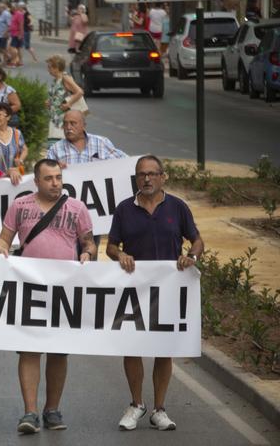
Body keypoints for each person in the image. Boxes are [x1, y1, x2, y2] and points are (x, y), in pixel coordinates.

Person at [0, 158, 97, 434]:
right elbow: (4, 238)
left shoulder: (76, 207)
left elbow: (89, 241)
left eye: (58, 178)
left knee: (58, 350)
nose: (55, 183)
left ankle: (52, 410)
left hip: (64, 288)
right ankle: (30, 412)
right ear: (36, 181)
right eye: (49, 178)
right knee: (29, 349)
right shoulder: (20, 205)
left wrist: (88, 252)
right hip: (30, 286)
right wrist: (2, 248)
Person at [107, 155, 204, 432]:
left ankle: (159, 410)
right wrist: (120, 254)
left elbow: (196, 239)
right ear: (136, 178)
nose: (147, 179)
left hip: (169, 289)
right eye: (141, 174)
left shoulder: (178, 207)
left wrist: (192, 256)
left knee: (164, 349)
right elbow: (111, 246)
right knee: (132, 347)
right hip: (134, 290)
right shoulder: (125, 209)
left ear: (163, 177)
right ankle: (137, 405)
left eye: (152, 173)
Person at [46, 110, 126, 167]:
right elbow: (45, 171)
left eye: (73, 123)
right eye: (65, 124)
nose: (68, 127)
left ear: (83, 126)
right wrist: (55, 168)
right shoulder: (55, 149)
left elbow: (125, 162)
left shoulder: (101, 143)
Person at [45, 55, 85, 142]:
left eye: (50, 67)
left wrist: (69, 104)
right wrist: (49, 101)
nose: (48, 69)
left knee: (59, 141)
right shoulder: (56, 80)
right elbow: (58, 95)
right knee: (54, 141)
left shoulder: (65, 78)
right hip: (55, 116)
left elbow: (80, 92)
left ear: (56, 68)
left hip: (63, 117)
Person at [0, 102, 27, 178]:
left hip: (14, 178)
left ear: (8, 117)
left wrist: (20, 160)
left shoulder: (16, 133)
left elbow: (25, 149)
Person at [7, 3, 25, 67]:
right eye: (11, 7)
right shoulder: (14, 14)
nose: (11, 8)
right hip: (14, 33)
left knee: (12, 48)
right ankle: (20, 62)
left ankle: (14, 61)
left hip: (16, 34)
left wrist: (20, 34)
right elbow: (13, 24)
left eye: (13, 7)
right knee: (18, 48)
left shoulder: (19, 14)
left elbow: (21, 25)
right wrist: (8, 30)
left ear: (16, 7)